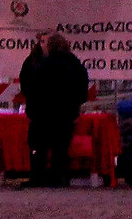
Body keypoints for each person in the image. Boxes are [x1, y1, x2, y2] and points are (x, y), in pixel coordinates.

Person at [18, 30, 90, 187]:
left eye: (45, 42)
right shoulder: (73, 63)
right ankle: (55, 177)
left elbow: (30, 86)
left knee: (42, 146)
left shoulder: (42, 64)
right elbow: (82, 88)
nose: (42, 45)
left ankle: (41, 177)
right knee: (57, 147)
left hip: (45, 113)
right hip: (62, 113)